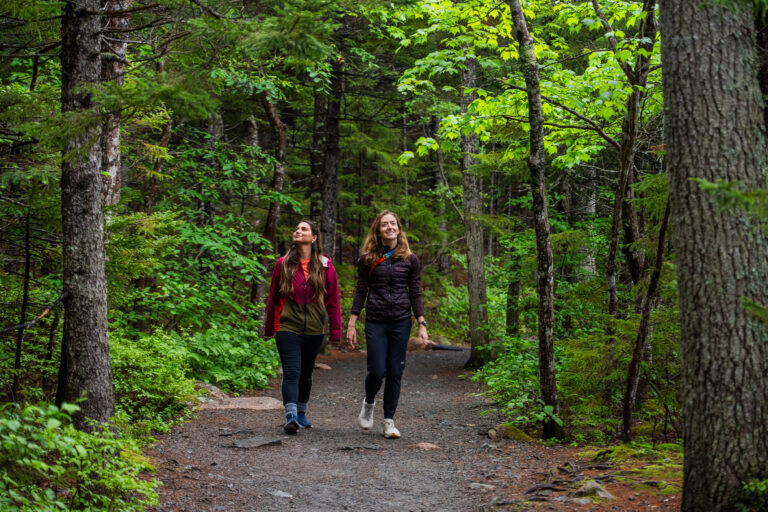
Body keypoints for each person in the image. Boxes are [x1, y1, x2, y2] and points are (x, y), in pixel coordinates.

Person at [347, 210, 429, 439]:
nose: (390, 227)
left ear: (399, 228)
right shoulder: (367, 259)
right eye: (385, 224)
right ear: (378, 230)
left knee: (395, 370)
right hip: (375, 320)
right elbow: (361, 290)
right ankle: (369, 403)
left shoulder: (410, 259)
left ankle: (388, 421)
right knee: (377, 370)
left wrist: (422, 323)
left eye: (393, 223)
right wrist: (352, 323)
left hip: (401, 321)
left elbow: (415, 292)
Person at [265, 220, 342, 434]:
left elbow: (333, 301)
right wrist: (269, 327)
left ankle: (301, 412)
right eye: (296, 228)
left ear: (314, 237)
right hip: (287, 326)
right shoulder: (283, 264)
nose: (298, 231)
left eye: (304, 229)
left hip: (314, 330)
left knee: (306, 373)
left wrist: (336, 331)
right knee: (292, 372)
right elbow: (273, 297)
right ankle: (290, 416)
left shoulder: (325, 266)